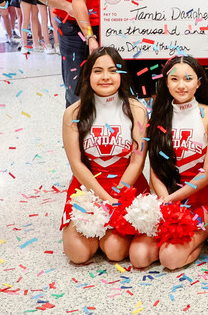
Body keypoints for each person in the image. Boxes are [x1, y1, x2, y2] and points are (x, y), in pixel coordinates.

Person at [129, 56, 208, 269]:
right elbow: (154, 168)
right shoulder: (157, 116)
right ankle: (180, 239)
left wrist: (171, 200)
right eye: (174, 79)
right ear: (165, 82)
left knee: (170, 258)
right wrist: (166, 202)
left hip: (205, 200)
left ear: (199, 83)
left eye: (188, 79)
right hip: (168, 199)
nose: (181, 85)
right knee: (139, 256)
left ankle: (201, 237)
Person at [60, 47, 149, 264]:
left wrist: (116, 197)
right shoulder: (73, 112)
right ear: (88, 75)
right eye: (98, 71)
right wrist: (103, 198)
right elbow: (76, 164)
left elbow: (138, 160)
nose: (106, 77)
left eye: (112, 70)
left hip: (127, 188)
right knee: (78, 255)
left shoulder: (137, 109)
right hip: (87, 187)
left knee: (115, 252)